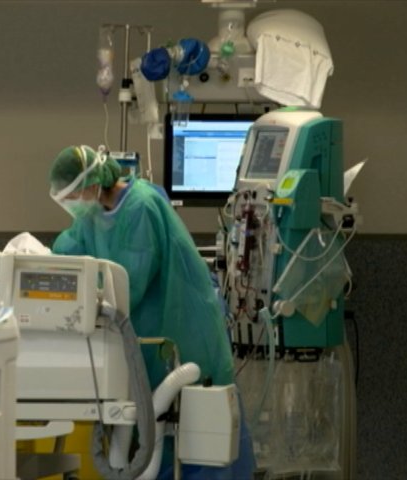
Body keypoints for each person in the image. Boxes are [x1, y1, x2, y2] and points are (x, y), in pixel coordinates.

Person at [49, 145, 254, 479]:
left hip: (181, 337)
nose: (70, 204)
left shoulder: (141, 207)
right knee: (149, 440)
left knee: (192, 443)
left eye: (71, 195)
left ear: (89, 185)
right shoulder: (94, 214)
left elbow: (129, 283)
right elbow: (70, 247)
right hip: (144, 346)